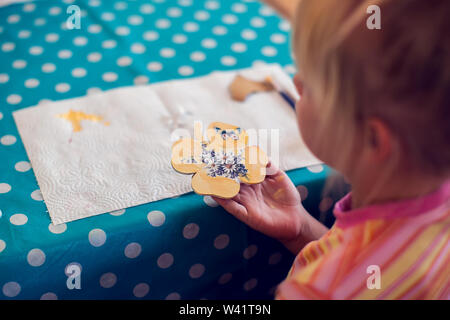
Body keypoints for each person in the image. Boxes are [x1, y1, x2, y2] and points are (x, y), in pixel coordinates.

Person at [213, 0, 450, 299]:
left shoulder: (316, 291)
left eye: (311, 83)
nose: (296, 83)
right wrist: (301, 229)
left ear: (373, 140)